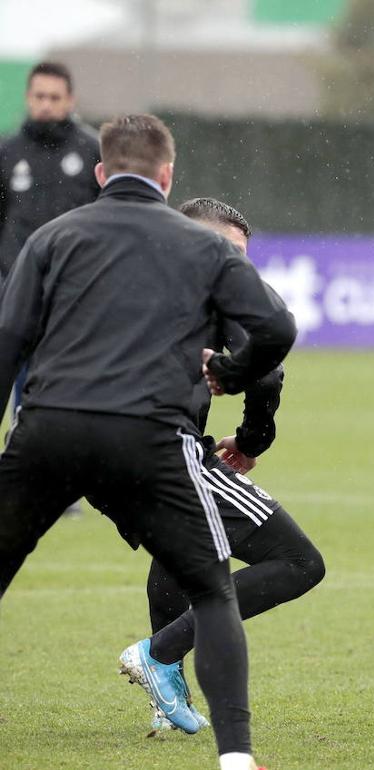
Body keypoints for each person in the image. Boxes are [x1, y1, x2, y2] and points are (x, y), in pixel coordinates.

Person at [0, 114, 296, 770]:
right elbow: (276, 331)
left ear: (101, 173)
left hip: (49, 428)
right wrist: (232, 375)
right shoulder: (205, 250)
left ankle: (165, 675)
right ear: (168, 176)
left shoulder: (52, 237)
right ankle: (237, 758)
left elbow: (7, 340)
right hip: (147, 436)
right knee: (213, 590)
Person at [132, 197, 325, 735]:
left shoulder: (126, 274)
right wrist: (251, 439)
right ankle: (160, 654)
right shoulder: (222, 296)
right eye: (228, 250)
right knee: (298, 562)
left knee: (175, 550)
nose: (237, 264)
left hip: (91, 451)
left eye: (244, 255)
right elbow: (266, 373)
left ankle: (164, 699)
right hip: (163, 449)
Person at [0, 61, 100, 418]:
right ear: (28, 98)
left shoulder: (92, 151)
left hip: (75, 292)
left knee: (75, 389)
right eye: (39, 96)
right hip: (15, 289)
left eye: (54, 97)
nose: (46, 104)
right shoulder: (7, 151)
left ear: (70, 100)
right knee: (19, 386)